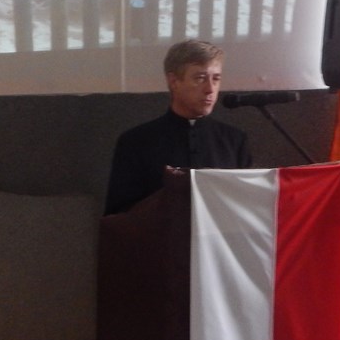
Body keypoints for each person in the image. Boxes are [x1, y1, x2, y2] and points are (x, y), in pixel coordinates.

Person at [103, 39, 251, 215]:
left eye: (216, 78)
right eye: (200, 78)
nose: (210, 89)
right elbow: (119, 214)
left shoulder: (234, 141)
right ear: (173, 81)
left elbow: (246, 209)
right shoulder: (136, 142)